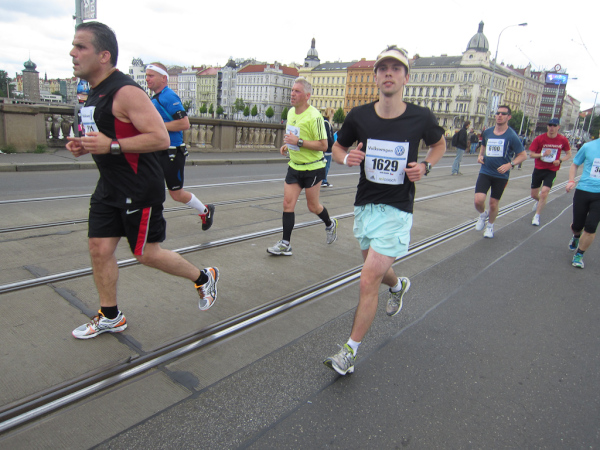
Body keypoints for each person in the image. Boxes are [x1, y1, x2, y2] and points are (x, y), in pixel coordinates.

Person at [66, 22, 219, 339]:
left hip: (137, 187)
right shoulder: (94, 92)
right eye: (73, 46)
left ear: (104, 55)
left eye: (81, 47)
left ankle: (204, 278)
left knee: (146, 254)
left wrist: (111, 146)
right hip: (109, 185)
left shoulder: (126, 92)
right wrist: (85, 145)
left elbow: (160, 137)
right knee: (99, 249)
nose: (72, 52)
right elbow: (108, 134)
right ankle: (111, 316)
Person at [323, 45, 446, 375]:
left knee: (367, 279)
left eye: (396, 68)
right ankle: (398, 285)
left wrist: (426, 166)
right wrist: (345, 158)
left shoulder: (421, 117)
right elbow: (337, 146)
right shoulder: (359, 116)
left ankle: (349, 352)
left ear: (406, 77)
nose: (389, 73)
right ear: (376, 77)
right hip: (365, 206)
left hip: (397, 209)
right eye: (383, 68)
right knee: (375, 271)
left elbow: (439, 144)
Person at [267, 77, 337, 256]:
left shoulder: (315, 117)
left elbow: (324, 145)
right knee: (287, 204)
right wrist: (288, 145)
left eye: (297, 91)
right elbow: (293, 136)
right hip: (295, 166)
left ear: (307, 96)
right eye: (292, 90)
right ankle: (285, 244)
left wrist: (298, 142)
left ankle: (330, 224)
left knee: (313, 207)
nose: (292, 94)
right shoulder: (291, 113)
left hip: (313, 168)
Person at [146, 62, 215, 230]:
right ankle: (149, 223)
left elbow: (184, 124)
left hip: (172, 153)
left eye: (151, 76)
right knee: (148, 187)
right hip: (156, 150)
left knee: (176, 194)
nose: (147, 79)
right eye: (146, 75)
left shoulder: (169, 97)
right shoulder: (153, 98)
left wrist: (158, 127)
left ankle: (205, 211)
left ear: (164, 78)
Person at [473, 105, 527, 238]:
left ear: (509, 117)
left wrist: (510, 164)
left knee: (493, 203)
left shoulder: (512, 135)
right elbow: (483, 147)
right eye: (498, 113)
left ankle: (490, 226)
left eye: (503, 114)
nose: (499, 116)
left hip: (501, 175)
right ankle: (482, 215)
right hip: (485, 171)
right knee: (478, 200)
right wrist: (480, 156)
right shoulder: (488, 132)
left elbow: (523, 155)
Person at [565, 138, 600, 269]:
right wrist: (571, 180)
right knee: (577, 225)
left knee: (591, 227)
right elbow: (575, 164)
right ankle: (576, 235)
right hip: (583, 190)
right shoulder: (588, 146)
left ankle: (579, 254)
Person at [528, 118, 571, 226]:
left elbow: (568, 154)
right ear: (547, 126)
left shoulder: (562, 139)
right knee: (534, 195)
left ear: (558, 127)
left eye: (554, 126)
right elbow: (531, 154)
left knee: (544, 192)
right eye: (550, 125)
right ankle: (539, 202)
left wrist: (560, 160)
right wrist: (542, 154)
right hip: (539, 169)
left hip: (551, 170)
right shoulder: (539, 138)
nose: (552, 128)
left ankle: (537, 216)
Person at [321, 113, 335, 188]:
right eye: (332, 114)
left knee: (324, 165)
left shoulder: (323, 122)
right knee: (326, 165)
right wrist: (333, 144)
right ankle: (324, 181)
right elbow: (328, 136)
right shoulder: (327, 123)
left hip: (324, 148)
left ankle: (323, 180)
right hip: (328, 149)